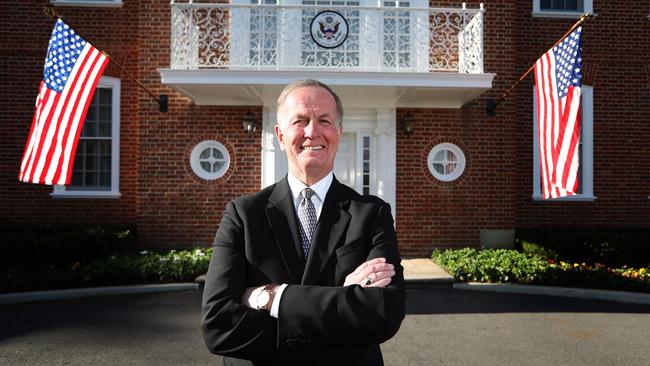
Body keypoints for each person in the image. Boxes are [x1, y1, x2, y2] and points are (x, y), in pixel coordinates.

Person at [201, 79, 406, 366]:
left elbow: (383, 314)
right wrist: (342, 298)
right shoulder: (243, 214)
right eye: (300, 120)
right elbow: (219, 326)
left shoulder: (372, 214)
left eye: (324, 120)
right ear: (280, 135)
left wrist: (273, 298)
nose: (313, 131)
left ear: (338, 132)